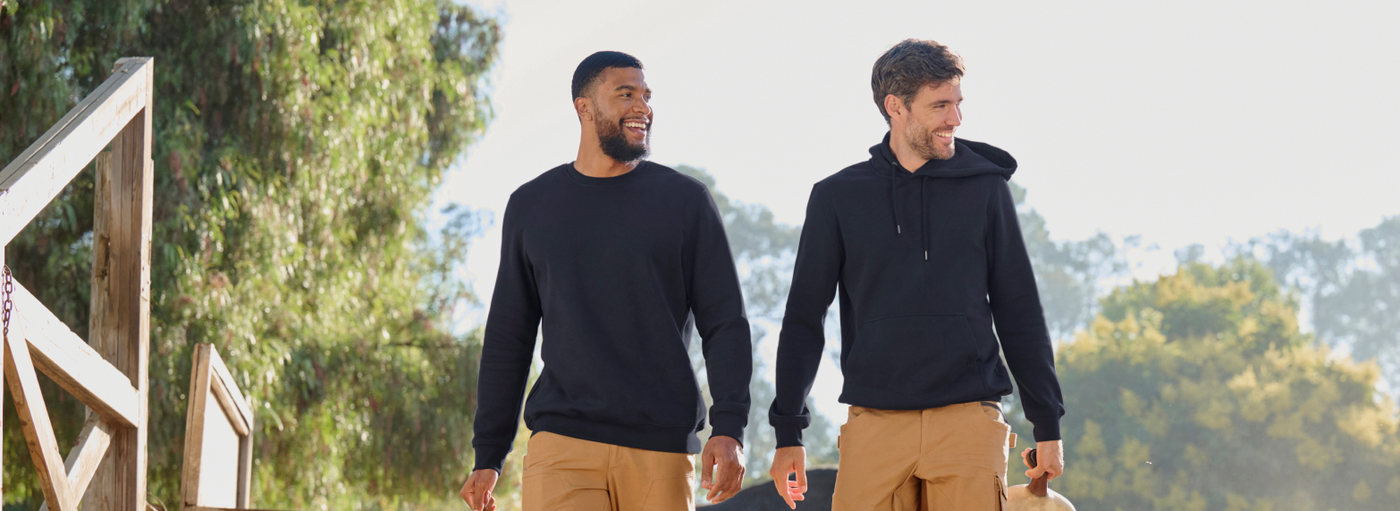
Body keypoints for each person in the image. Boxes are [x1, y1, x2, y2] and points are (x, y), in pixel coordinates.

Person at [766, 39, 1066, 511]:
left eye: (958, 104)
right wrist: (788, 433)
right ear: (895, 107)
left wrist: (1047, 425)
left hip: (968, 419)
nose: (956, 119)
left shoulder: (985, 190)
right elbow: (804, 319)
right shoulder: (837, 198)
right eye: (940, 105)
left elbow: (1019, 310)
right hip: (874, 423)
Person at [459, 51, 752, 511]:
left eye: (646, 96)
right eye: (626, 94)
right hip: (562, 442)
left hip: (661, 444)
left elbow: (725, 323)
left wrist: (730, 426)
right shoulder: (532, 206)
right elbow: (508, 338)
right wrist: (488, 455)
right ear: (584, 107)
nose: (643, 107)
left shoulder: (684, 202)